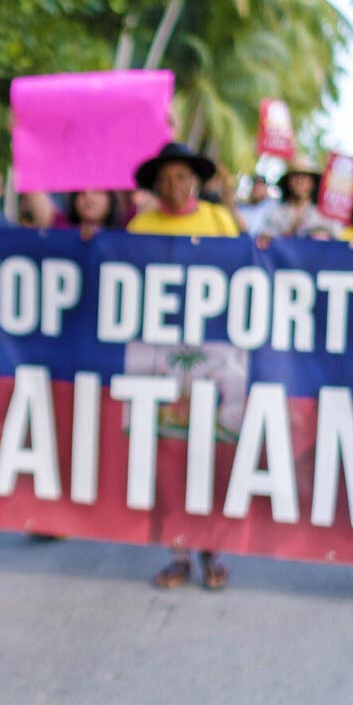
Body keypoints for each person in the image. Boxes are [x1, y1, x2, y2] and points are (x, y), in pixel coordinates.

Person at [126, 142, 239, 590]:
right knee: (168, 451)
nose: (174, 185)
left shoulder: (219, 221)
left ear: (195, 180)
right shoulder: (139, 225)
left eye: (182, 177)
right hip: (159, 357)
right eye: (166, 178)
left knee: (210, 449)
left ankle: (212, 548)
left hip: (211, 353)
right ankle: (178, 551)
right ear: (155, 184)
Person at [257, 161, 337, 239]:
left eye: (305, 177)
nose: (300, 181)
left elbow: (338, 241)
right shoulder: (276, 213)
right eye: (295, 176)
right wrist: (288, 232)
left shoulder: (324, 213)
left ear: (313, 182)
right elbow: (266, 238)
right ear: (287, 181)